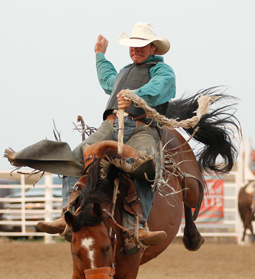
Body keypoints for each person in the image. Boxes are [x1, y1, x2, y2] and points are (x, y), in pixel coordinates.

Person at [37, 22, 174, 250]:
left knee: (146, 166)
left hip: (142, 127)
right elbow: (108, 81)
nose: (135, 49)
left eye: (141, 45)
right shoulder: (124, 72)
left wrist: (134, 95)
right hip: (111, 125)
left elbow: (162, 86)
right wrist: (100, 55)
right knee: (75, 158)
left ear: (153, 48)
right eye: (132, 45)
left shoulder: (162, 70)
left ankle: (138, 225)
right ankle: (67, 213)